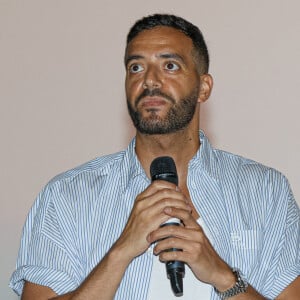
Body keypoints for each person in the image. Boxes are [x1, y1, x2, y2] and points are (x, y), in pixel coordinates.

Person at [10, 14, 299, 300]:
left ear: (204, 87)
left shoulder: (265, 192)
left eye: (170, 65)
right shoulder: (67, 196)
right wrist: (120, 252)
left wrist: (221, 275)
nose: (149, 80)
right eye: (136, 67)